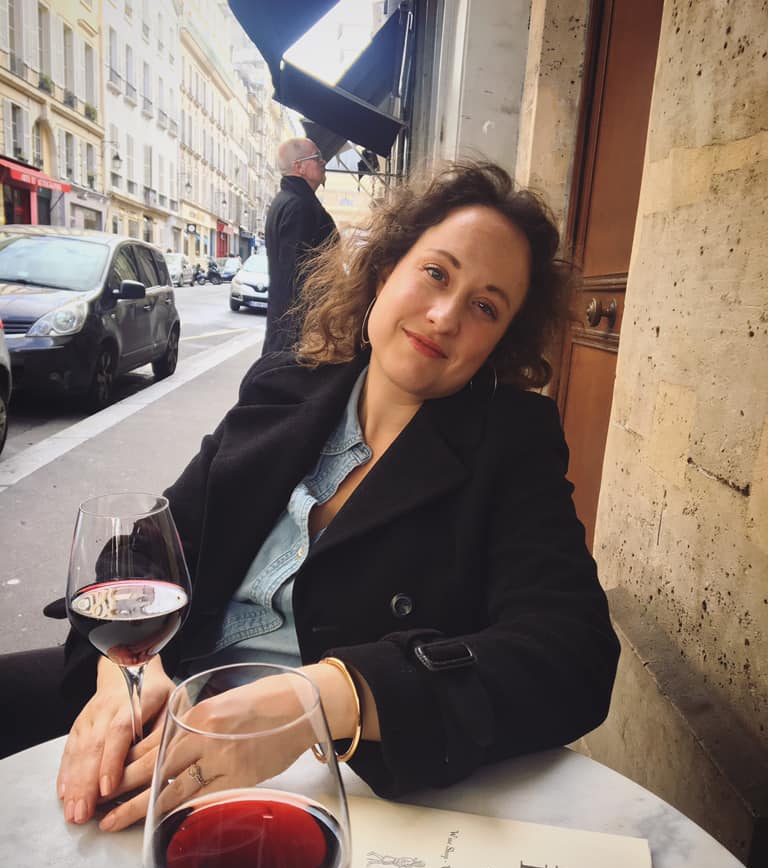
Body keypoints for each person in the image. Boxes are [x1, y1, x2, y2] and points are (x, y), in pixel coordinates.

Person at [36, 160, 620, 832]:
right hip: (164, 705)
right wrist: (125, 673)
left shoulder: (511, 445)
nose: (444, 316)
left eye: (485, 307)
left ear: (499, 343)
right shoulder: (286, 385)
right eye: (436, 273)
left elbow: (572, 654)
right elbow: (150, 549)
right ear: (386, 272)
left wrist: (323, 697)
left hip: (330, 784)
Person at [262, 138, 338, 355]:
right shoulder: (300, 206)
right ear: (299, 167)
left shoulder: (287, 200)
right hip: (298, 331)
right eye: (317, 157)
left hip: (287, 327)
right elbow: (299, 274)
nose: (323, 162)